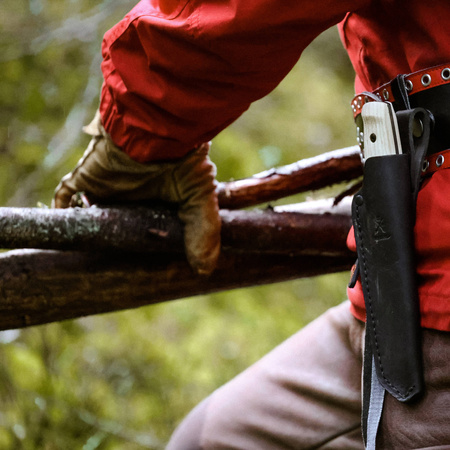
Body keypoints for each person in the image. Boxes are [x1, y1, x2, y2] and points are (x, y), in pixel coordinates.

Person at [53, 1, 450, 448]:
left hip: (438, 311)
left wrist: (135, 140)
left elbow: (244, 12)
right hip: (393, 294)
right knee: (209, 440)